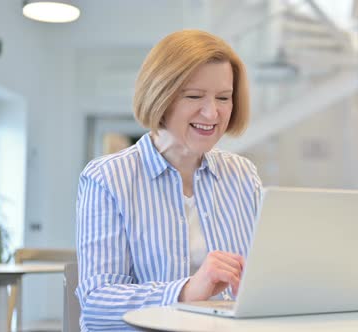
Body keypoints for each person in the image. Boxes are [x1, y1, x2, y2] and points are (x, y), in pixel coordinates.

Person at [75, 30, 262, 331]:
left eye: (224, 98)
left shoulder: (243, 175)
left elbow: (260, 281)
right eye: (194, 96)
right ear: (160, 94)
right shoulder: (107, 178)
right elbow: (97, 304)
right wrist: (186, 291)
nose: (212, 112)